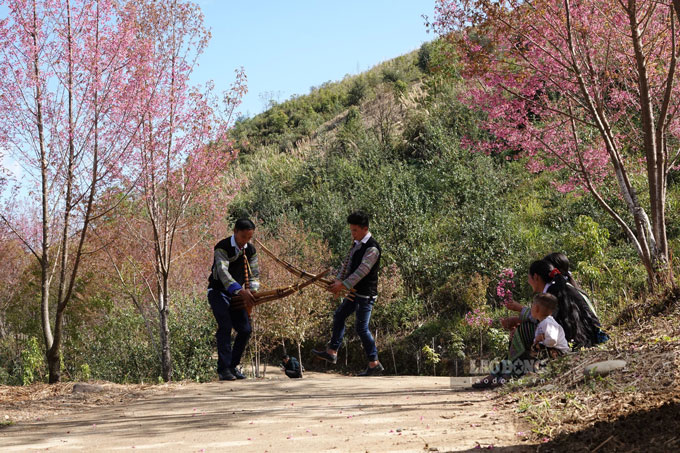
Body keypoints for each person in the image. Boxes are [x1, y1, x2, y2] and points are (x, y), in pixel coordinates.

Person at [312, 211, 384, 376]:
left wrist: (342, 285)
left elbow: (362, 271)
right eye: (351, 231)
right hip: (353, 291)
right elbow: (347, 265)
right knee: (339, 315)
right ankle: (332, 352)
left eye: (355, 231)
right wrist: (337, 282)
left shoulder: (372, 248)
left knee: (361, 328)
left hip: (365, 294)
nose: (353, 234)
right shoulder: (356, 244)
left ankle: (374, 362)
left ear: (365, 229)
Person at [207, 219, 260, 381]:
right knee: (225, 326)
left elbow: (254, 274)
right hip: (218, 292)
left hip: (238, 295)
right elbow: (223, 273)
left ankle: (232, 366)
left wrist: (253, 291)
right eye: (243, 237)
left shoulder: (250, 250)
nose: (245, 241)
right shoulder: (222, 247)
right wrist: (239, 290)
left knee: (245, 330)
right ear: (235, 231)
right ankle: (223, 369)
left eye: (249, 238)